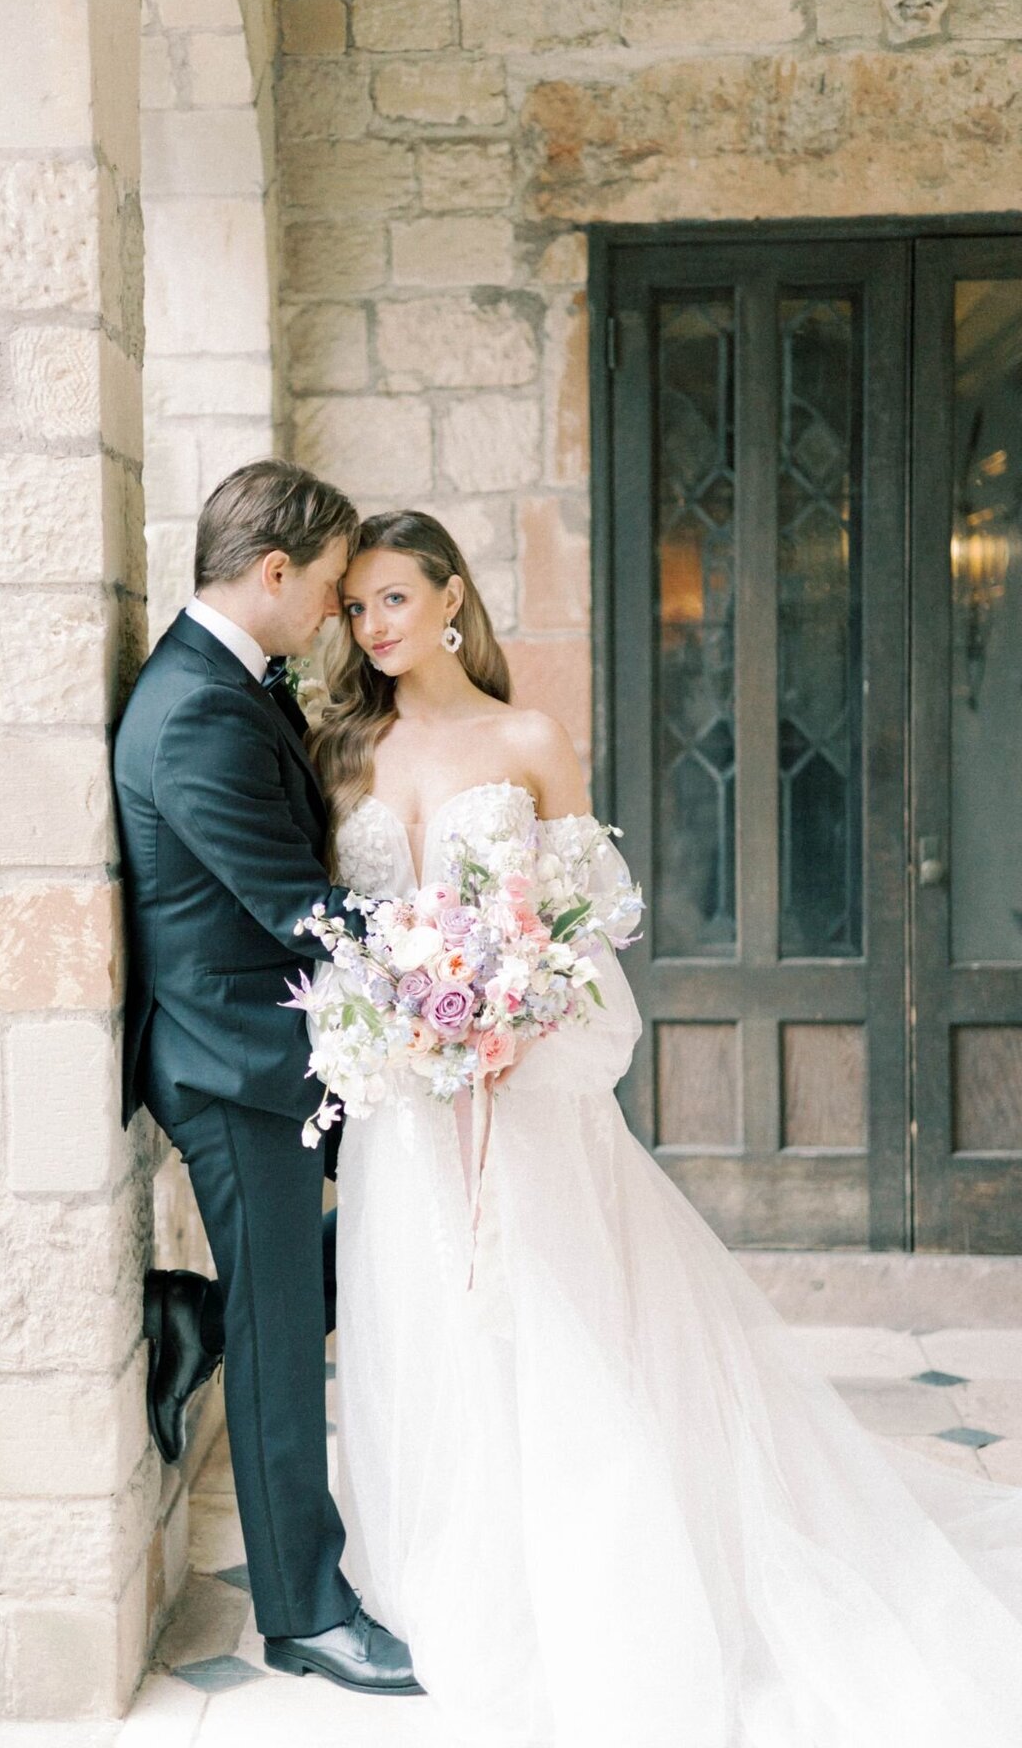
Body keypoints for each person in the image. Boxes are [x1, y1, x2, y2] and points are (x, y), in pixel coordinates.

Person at [309, 508, 1022, 1748]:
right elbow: (339, 925)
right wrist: (401, 1021)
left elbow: (593, 916)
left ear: (451, 600)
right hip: (405, 1113)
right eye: (357, 607)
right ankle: (440, 1580)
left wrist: (515, 1008)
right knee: (419, 1329)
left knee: (554, 1330)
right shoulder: (340, 750)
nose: (375, 628)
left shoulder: (525, 736)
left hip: (522, 1097)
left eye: (394, 601)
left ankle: (588, 1586)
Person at [112, 460, 420, 1696]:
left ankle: (198, 1315)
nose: (344, 607)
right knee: (288, 1342)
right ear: (277, 572)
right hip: (236, 1068)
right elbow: (293, 905)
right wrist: (462, 957)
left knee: (364, 1260)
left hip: (272, 1049)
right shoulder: (192, 708)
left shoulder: (227, 685)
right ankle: (303, 1611)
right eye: (337, 582)